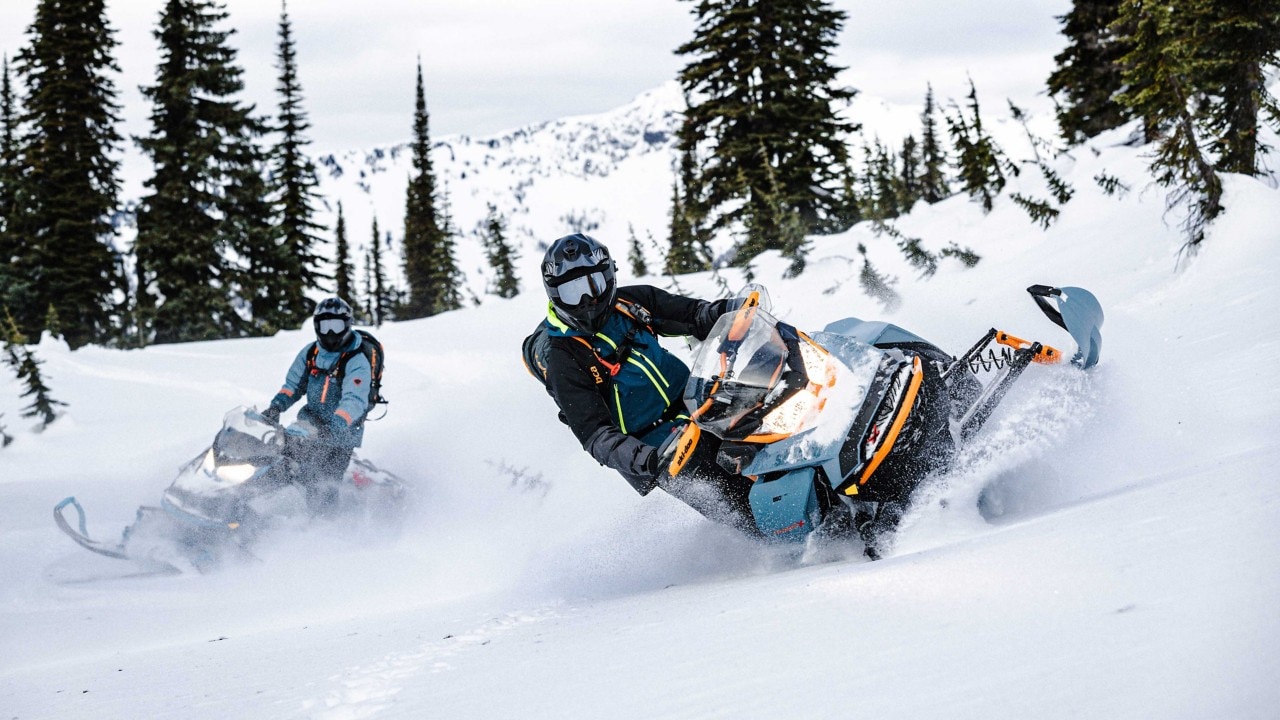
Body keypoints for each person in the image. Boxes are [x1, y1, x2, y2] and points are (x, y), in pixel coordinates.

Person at [535, 232, 759, 536]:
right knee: (740, 504)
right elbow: (596, 435)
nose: (588, 300)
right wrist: (646, 459)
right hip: (661, 448)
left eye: (594, 285)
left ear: (609, 276)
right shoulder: (564, 359)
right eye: (573, 293)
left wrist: (727, 311)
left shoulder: (632, 301)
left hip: (698, 402)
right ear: (556, 295)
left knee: (769, 433)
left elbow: (692, 315)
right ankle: (783, 551)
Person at [259, 297, 372, 515]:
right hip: (309, 423)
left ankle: (325, 524)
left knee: (324, 481)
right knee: (279, 462)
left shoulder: (356, 360)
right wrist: (275, 408)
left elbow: (354, 399)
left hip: (342, 433)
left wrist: (336, 424)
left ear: (347, 325)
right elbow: (292, 386)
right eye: (325, 325)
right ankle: (267, 508)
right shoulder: (311, 353)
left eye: (336, 326)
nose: (331, 333)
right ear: (316, 326)